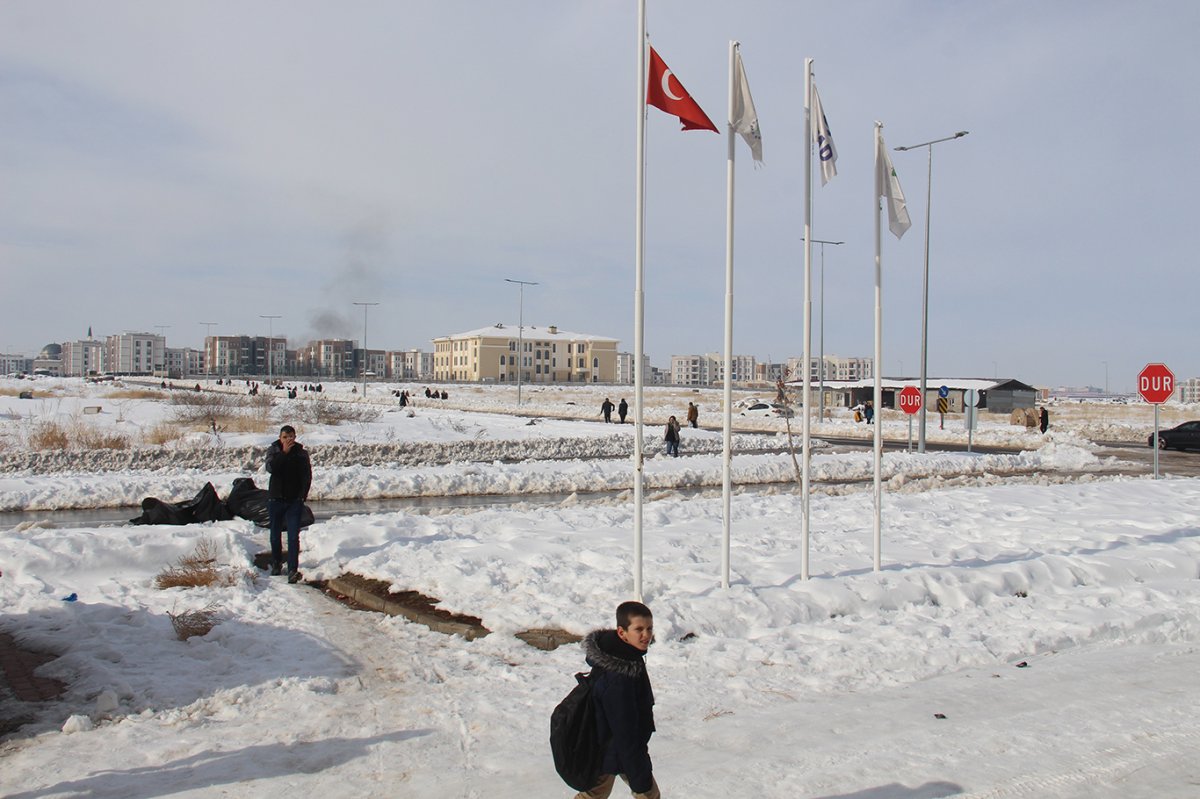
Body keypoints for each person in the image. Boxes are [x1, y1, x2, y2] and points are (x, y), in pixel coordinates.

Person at [575, 601, 660, 799]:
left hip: (613, 748)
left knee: (594, 794)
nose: (646, 635)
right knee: (648, 794)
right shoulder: (619, 677)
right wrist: (638, 770)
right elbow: (624, 726)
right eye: (638, 629)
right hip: (615, 749)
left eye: (649, 628)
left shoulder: (628, 657)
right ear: (622, 633)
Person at [266, 425, 312, 584]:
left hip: (294, 501)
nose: (288, 440)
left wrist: (302, 496)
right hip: (276, 499)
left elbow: (306, 475)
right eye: (285, 437)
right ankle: (276, 563)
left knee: (293, 536)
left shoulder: (301, 453)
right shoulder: (274, 451)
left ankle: (293, 569)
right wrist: (283, 453)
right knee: (275, 535)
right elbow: (271, 468)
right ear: (280, 438)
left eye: (291, 436)